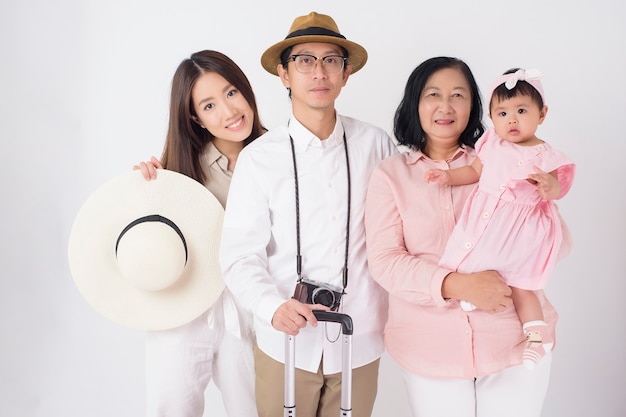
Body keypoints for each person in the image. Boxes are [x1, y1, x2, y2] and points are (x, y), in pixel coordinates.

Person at [364, 57, 572, 417]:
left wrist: (542, 196)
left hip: (512, 337)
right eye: (433, 95)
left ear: (475, 108)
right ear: (415, 103)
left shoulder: (505, 160)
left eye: (458, 95)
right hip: (430, 346)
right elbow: (385, 261)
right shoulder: (390, 175)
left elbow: (558, 245)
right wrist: (456, 285)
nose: (445, 106)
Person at [219, 11, 398, 417]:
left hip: (361, 336)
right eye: (304, 60)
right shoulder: (259, 158)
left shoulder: (376, 144)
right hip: (285, 342)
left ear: (345, 73)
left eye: (331, 60)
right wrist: (270, 306)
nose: (319, 72)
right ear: (284, 74)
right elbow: (238, 254)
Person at [134, 49, 265, 417]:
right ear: (194, 116)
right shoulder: (177, 172)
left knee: (256, 408)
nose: (228, 111)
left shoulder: (279, 157)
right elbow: (147, 245)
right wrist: (144, 190)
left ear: (246, 90)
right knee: (173, 407)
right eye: (208, 106)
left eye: (231, 93)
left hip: (250, 310)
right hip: (184, 310)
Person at [424, 68, 575, 370]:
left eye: (521, 110)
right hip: (486, 220)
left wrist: (549, 186)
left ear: (542, 113)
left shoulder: (546, 155)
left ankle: (536, 335)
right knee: (467, 260)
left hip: (521, 229)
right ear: (492, 118)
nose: (512, 120)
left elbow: (560, 187)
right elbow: (474, 173)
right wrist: (447, 177)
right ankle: (469, 299)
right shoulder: (492, 144)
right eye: (503, 113)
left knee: (521, 283)